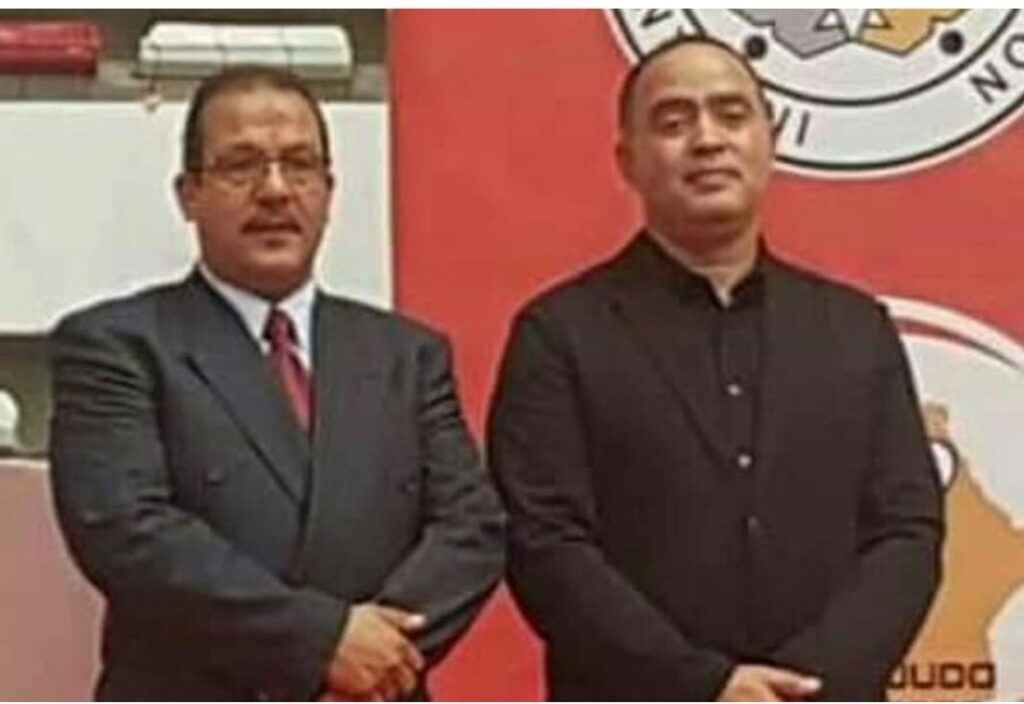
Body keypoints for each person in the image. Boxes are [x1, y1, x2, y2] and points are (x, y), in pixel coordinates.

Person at [488, 35, 943, 701]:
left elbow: (906, 531)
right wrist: (705, 686)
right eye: (674, 122)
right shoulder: (559, 334)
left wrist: (809, 687)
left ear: (771, 141)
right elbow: (544, 543)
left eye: (732, 115)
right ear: (627, 161)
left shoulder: (855, 329)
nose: (707, 140)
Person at [49, 66, 504, 701]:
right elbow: (128, 532)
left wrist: (375, 658)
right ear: (188, 193)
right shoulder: (117, 345)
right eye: (241, 166)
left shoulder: (407, 355)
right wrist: (322, 643)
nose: (275, 190)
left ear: (329, 190)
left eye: (299, 164)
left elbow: (470, 528)